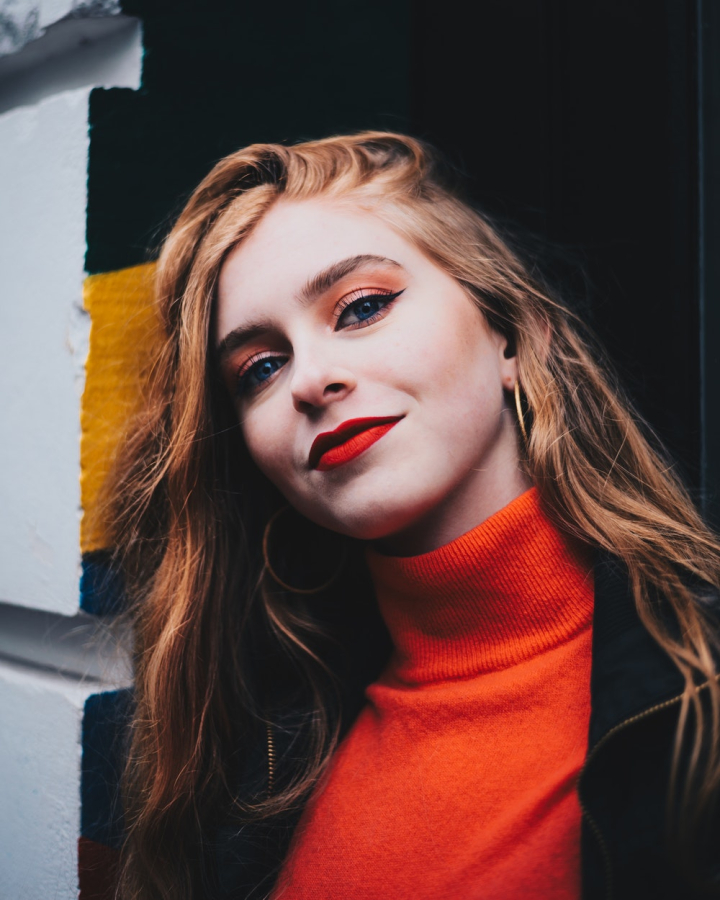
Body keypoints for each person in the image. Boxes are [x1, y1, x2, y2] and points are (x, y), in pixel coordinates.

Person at [107, 132, 720, 900]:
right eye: (260, 367)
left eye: (362, 307)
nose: (312, 378)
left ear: (512, 335)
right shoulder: (250, 756)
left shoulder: (700, 698)